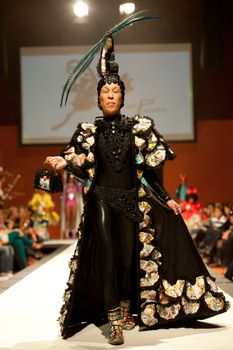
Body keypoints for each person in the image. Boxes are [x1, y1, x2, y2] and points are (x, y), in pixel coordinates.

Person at [42, 12, 229, 346]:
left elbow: (147, 174)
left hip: (131, 200)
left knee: (130, 258)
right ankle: (114, 320)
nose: (110, 95)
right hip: (101, 197)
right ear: (98, 97)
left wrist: (167, 198)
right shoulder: (88, 131)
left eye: (115, 91)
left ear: (122, 97)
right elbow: (80, 165)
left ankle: (127, 308)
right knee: (110, 255)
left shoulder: (138, 129)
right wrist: (61, 162)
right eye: (106, 91)